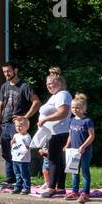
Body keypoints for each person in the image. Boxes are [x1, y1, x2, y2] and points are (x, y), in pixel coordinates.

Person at [0, 62, 40, 189]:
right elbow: (1, 105)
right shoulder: (4, 86)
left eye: (8, 71)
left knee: (18, 152)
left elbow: (36, 102)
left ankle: (20, 180)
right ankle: (10, 179)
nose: (6, 74)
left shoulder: (24, 86)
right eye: (4, 72)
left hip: (17, 126)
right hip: (4, 124)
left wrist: (25, 117)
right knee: (6, 153)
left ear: (16, 70)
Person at [37, 67, 73, 197]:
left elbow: (62, 113)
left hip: (58, 133)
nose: (49, 86)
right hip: (55, 133)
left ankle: (51, 188)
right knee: (58, 161)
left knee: (52, 160)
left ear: (60, 83)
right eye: (47, 84)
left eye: (51, 84)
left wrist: (45, 119)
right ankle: (61, 187)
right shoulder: (57, 95)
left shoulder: (63, 95)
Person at [66, 94, 96, 203]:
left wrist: (83, 146)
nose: (75, 109)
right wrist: (67, 145)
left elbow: (92, 136)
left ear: (84, 108)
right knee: (74, 172)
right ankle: (75, 192)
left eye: (77, 107)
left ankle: (85, 193)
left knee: (85, 172)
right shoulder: (71, 120)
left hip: (85, 152)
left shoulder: (87, 121)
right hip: (74, 152)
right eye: (73, 107)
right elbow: (70, 135)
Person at [9, 115, 33, 195]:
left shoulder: (27, 136)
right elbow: (13, 146)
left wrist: (25, 143)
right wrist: (12, 143)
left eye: (21, 126)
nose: (18, 128)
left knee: (24, 174)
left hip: (24, 159)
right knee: (17, 174)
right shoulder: (16, 135)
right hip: (15, 158)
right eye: (17, 126)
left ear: (27, 127)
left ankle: (26, 188)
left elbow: (27, 147)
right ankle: (18, 187)